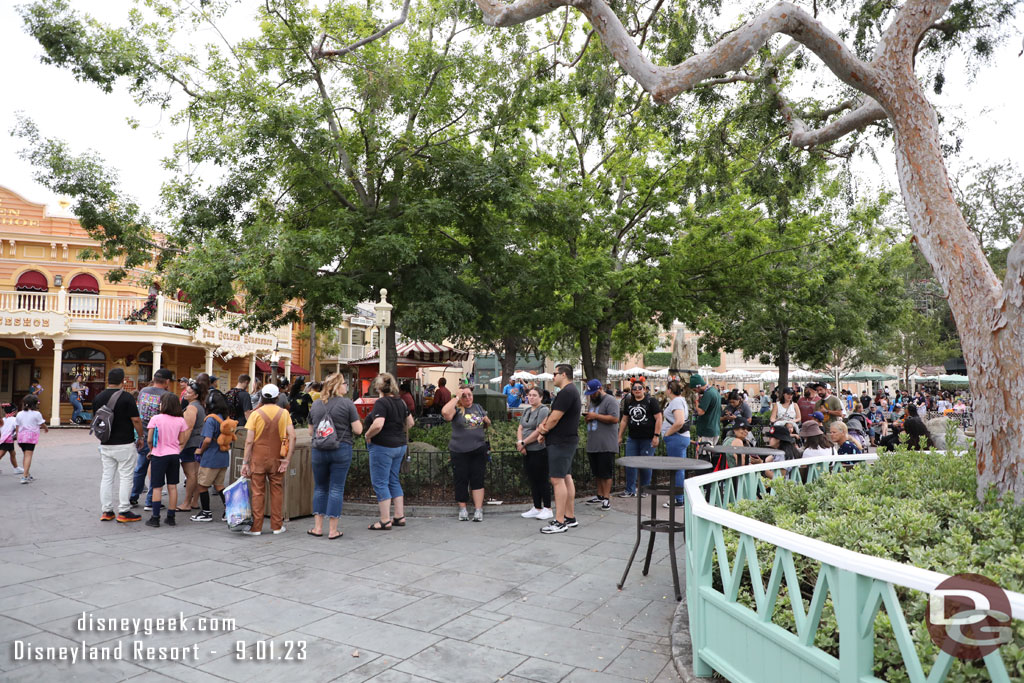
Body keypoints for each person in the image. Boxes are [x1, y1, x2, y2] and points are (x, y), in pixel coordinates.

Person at [307, 373, 362, 539]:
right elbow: (358, 429)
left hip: (319, 450)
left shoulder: (316, 405)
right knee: (336, 488)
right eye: (344, 383)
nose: (347, 386)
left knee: (320, 487)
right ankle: (333, 530)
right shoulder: (347, 404)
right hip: (341, 449)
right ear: (338, 386)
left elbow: (311, 431)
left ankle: (317, 528)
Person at [241, 384, 296, 535]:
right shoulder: (284, 413)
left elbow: (249, 441)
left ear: (262, 397)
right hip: (277, 457)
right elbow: (293, 436)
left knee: (258, 492)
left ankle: (256, 527)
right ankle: (277, 526)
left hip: (258, 458)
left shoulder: (255, 414)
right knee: (277, 490)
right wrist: (287, 459)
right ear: (278, 397)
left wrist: (245, 462)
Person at [92, 369, 144, 522]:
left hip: (106, 443)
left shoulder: (98, 397)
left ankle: (107, 511)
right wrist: (140, 436)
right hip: (124, 443)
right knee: (126, 477)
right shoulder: (127, 397)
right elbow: (136, 419)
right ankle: (124, 511)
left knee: (107, 477)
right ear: (123, 380)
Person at [537, 364, 581, 534]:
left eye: (554, 374)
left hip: (561, 442)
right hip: (565, 440)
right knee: (566, 477)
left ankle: (560, 521)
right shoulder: (570, 391)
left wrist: (543, 430)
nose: (552, 377)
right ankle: (569, 517)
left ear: (563, 374)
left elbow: (554, 418)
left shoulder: (566, 392)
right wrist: (545, 431)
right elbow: (553, 416)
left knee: (557, 480)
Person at [366, 373, 413, 529]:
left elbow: (378, 424)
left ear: (379, 387)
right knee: (393, 480)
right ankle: (399, 516)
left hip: (383, 446)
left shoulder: (382, 403)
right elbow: (410, 422)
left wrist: (368, 435)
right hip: (400, 446)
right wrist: (398, 430)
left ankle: (385, 520)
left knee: (380, 482)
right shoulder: (401, 402)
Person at [443, 385, 491, 522]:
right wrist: (456, 397)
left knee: (478, 479)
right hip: (459, 451)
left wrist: (486, 421)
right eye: (464, 396)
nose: (468, 398)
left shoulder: (478, 407)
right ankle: (463, 509)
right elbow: (445, 413)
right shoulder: (456, 409)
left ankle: (478, 510)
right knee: (461, 479)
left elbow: (487, 421)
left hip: (478, 449)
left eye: (469, 394)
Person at [144, 392, 190, 527]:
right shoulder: (181, 420)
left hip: (159, 455)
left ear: (163, 404)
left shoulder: (156, 419)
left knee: (157, 487)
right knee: (172, 486)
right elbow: (181, 441)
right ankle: (171, 517)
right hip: (174, 455)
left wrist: (151, 450)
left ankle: (155, 517)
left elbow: (149, 439)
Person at [132, 368, 172, 509]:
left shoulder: (143, 391)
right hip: (159, 437)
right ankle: (150, 501)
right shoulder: (167, 395)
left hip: (143, 433)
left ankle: (133, 496)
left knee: (140, 467)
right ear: (167, 381)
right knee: (156, 469)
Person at [191, 391, 233, 523]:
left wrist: (200, 450)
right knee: (219, 485)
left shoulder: (210, 419)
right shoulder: (225, 418)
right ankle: (229, 511)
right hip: (223, 457)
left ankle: (206, 512)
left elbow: (207, 440)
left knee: (202, 485)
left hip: (210, 458)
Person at [617, 380, 662, 497]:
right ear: (632, 391)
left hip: (648, 438)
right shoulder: (629, 402)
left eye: (639, 388)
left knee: (645, 464)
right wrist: (620, 435)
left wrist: (656, 436)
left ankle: (644, 489)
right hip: (633, 438)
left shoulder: (651, 401)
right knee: (630, 463)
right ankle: (630, 489)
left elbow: (659, 418)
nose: (637, 390)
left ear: (644, 389)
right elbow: (624, 420)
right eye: (635, 388)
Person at [582, 380, 619, 510]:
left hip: (606, 443)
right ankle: (599, 495)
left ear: (599, 390)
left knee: (606, 473)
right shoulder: (593, 401)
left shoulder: (610, 400)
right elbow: (594, 416)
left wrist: (595, 416)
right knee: (597, 472)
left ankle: (607, 498)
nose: (591, 396)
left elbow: (615, 418)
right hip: (594, 443)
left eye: (593, 393)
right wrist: (589, 418)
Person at [517, 387, 553, 520]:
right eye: (529, 395)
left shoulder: (543, 410)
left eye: (534, 395)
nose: (531, 397)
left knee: (542, 479)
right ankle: (537, 506)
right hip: (527, 450)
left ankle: (547, 508)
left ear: (541, 397)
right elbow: (520, 427)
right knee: (532, 479)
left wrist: (523, 443)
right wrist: (520, 442)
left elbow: (539, 430)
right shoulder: (526, 410)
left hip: (538, 450)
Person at [177, 380, 207, 513]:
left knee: (191, 474)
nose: (185, 394)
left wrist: (181, 445)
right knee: (196, 473)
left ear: (195, 395)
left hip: (191, 443)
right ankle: (194, 501)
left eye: (189, 392)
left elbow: (188, 429)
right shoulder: (200, 405)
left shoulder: (191, 407)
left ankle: (187, 502)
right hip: (199, 441)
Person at [661, 380, 692, 509]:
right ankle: (679, 497)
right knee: (679, 468)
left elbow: (679, 422)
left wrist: (667, 434)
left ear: (669, 390)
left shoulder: (676, 402)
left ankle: (678, 499)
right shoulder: (680, 400)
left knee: (677, 469)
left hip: (676, 438)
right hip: (679, 438)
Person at [14, 394, 47, 484]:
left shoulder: (19, 414)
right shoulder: (36, 414)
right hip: (31, 437)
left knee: (25, 455)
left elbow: (17, 426)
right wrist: (46, 428)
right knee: (28, 455)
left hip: (21, 437)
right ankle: (24, 476)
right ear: (35, 404)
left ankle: (27, 473)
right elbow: (42, 423)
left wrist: (17, 436)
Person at [691, 374, 721, 448]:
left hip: (706, 432)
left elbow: (701, 412)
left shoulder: (708, 394)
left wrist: (697, 403)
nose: (696, 392)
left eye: (695, 390)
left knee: (704, 456)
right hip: (714, 430)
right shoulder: (714, 391)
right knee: (711, 454)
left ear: (698, 386)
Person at [0, 403, 23, 474]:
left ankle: (16, 468)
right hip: (8, 440)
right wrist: (19, 440)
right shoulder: (14, 420)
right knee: (1, 454)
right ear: (14, 411)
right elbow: (17, 430)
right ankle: (16, 468)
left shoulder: (3, 419)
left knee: (13, 453)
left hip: (4, 439)